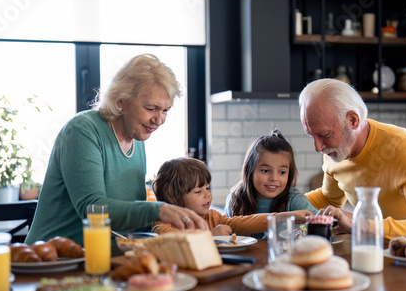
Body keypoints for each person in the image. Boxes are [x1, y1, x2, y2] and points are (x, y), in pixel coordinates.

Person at [26, 54, 207, 246]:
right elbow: (92, 209)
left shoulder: (137, 139)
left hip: (104, 255)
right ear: (121, 101)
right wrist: (159, 210)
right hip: (53, 258)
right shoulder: (82, 130)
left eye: (165, 111)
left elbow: (129, 221)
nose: (159, 120)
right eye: (151, 108)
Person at [299, 78, 406, 257]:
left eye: (324, 134)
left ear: (352, 120)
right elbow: (329, 198)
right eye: (311, 136)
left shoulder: (402, 146)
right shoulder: (335, 152)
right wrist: (280, 202)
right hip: (390, 247)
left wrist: (362, 224)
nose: (318, 147)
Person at [151, 157, 310, 235]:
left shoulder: (212, 217)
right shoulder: (164, 223)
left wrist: (286, 217)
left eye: (207, 188)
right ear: (175, 199)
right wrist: (210, 236)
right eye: (198, 191)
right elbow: (171, 241)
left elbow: (241, 223)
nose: (207, 195)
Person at [224, 129, 318, 224]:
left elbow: (321, 221)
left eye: (281, 172)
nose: (274, 178)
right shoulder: (235, 201)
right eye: (265, 171)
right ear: (250, 171)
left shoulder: (294, 200)